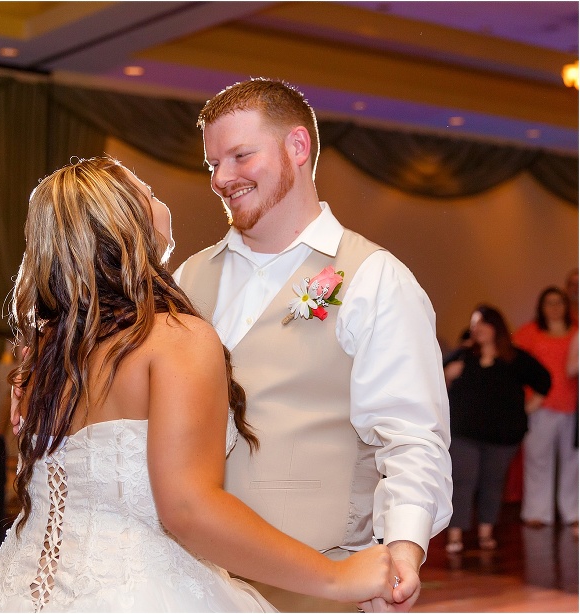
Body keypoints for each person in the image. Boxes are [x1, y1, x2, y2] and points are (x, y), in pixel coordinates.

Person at [0, 157, 402, 612]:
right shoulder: (173, 340)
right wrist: (336, 577)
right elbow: (188, 509)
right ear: (127, 223)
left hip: (19, 592)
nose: (158, 197)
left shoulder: (43, 355)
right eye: (147, 192)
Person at [173, 78, 452, 612]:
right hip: (195, 582)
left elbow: (412, 435)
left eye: (240, 155)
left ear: (297, 148)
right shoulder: (188, 277)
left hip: (317, 586)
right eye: (213, 164)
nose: (222, 178)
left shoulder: (374, 277)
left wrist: (403, 549)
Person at [443, 305, 550, 554]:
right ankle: (455, 535)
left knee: (492, 482)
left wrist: (528, 408)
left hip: (503, 436)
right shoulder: (463, 356)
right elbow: (434, 382)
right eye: (474, 323)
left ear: (496, 327)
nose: (476, 328)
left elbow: (544, 379)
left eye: (482, 323)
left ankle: (485, 534)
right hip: (464, 432)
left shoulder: (515, 358)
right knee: (463, 480)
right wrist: (448, 375)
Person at [513, 286, 579, 529]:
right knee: (537, 461)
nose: (554, 308)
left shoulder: (576, 332)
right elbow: (513, 360)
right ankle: (537, 513)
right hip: (540, 405)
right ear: (541, 306)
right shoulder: (530, 332)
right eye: (549, 303)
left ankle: (573, 512)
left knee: (573, 463)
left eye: (559, 302)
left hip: (571, 406)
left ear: (566, 306)